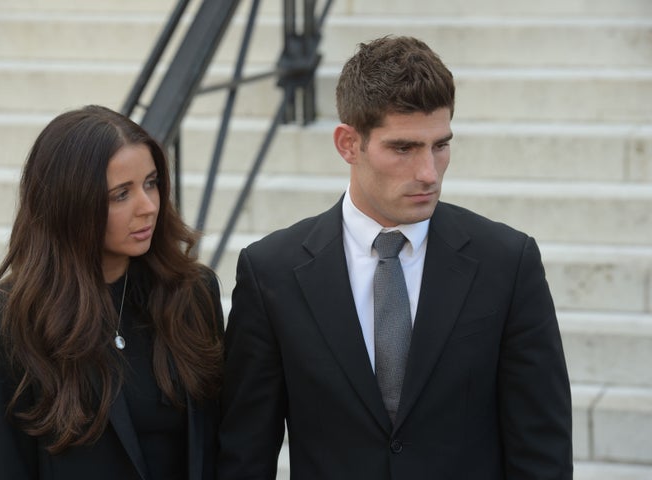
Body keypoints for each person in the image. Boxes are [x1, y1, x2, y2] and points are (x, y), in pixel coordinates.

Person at [218, 36, 572, 479]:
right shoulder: (271, 271)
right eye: (403, 148)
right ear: (348, 144)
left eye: (440, 146)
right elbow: (244, 453)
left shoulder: (507, 261)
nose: (429, 173)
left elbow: (543, 446)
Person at [0, 105, 224, 480]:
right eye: (121, 194)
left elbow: (220, 438)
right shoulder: (10, 319)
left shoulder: (192, 292)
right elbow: (5, 467)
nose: (148, 207)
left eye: (151, 183)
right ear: (71, 205)